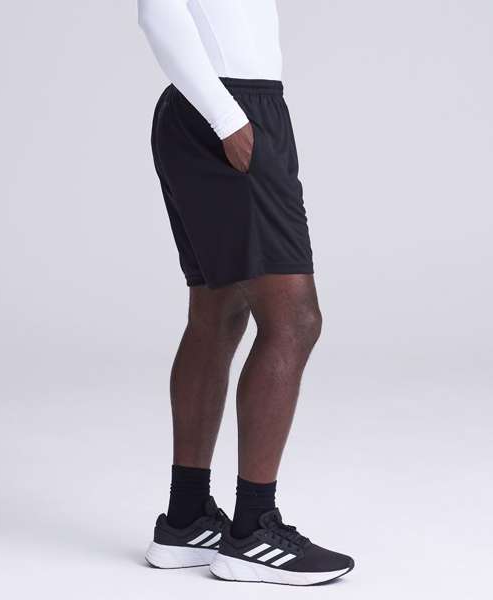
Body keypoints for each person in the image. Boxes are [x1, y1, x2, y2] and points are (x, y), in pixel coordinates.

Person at [137, 0, 354, 585]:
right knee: (294, 321)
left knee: (219, 310)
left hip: (231, 103)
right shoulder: (224, 113)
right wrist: (225, 118)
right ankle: (254, 529)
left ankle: (187, 518)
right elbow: (158, 10)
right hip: (223, 106)